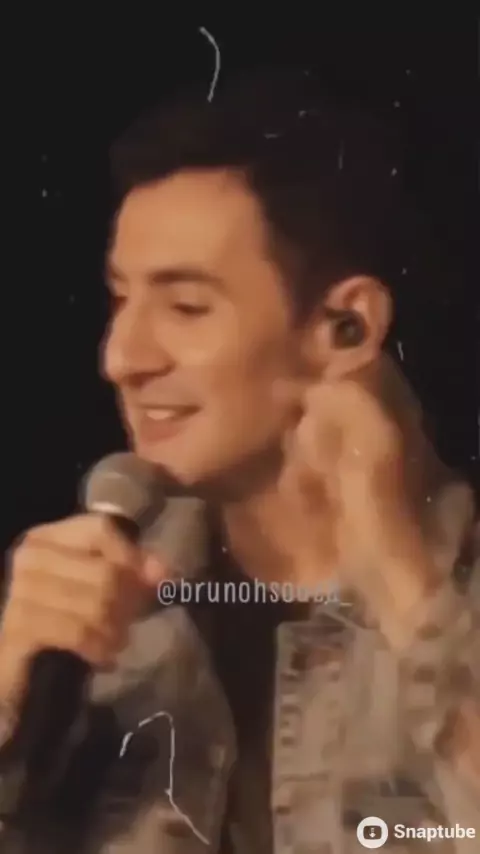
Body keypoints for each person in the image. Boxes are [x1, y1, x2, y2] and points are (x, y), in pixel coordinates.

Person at [0, 68, 478, 852]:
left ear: (346, 327)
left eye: (187, 307)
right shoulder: (106, 617)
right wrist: (11, 698)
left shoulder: (448, 591)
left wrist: (402, 582)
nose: (122, 357)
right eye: (120, 299)